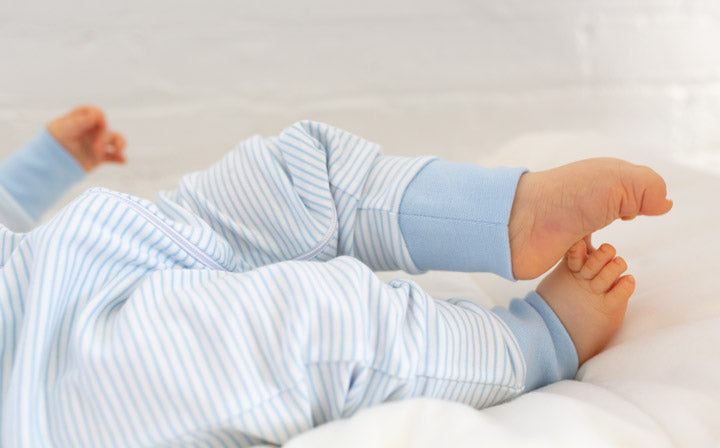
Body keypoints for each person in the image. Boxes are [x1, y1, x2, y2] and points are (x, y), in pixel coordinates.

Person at [0, 106, 672, 447]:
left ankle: (503, 215)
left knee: (287, 179)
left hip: (72, 258)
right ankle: (534, 342)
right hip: (51, 392)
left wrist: (43, 165)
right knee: (302, 330)